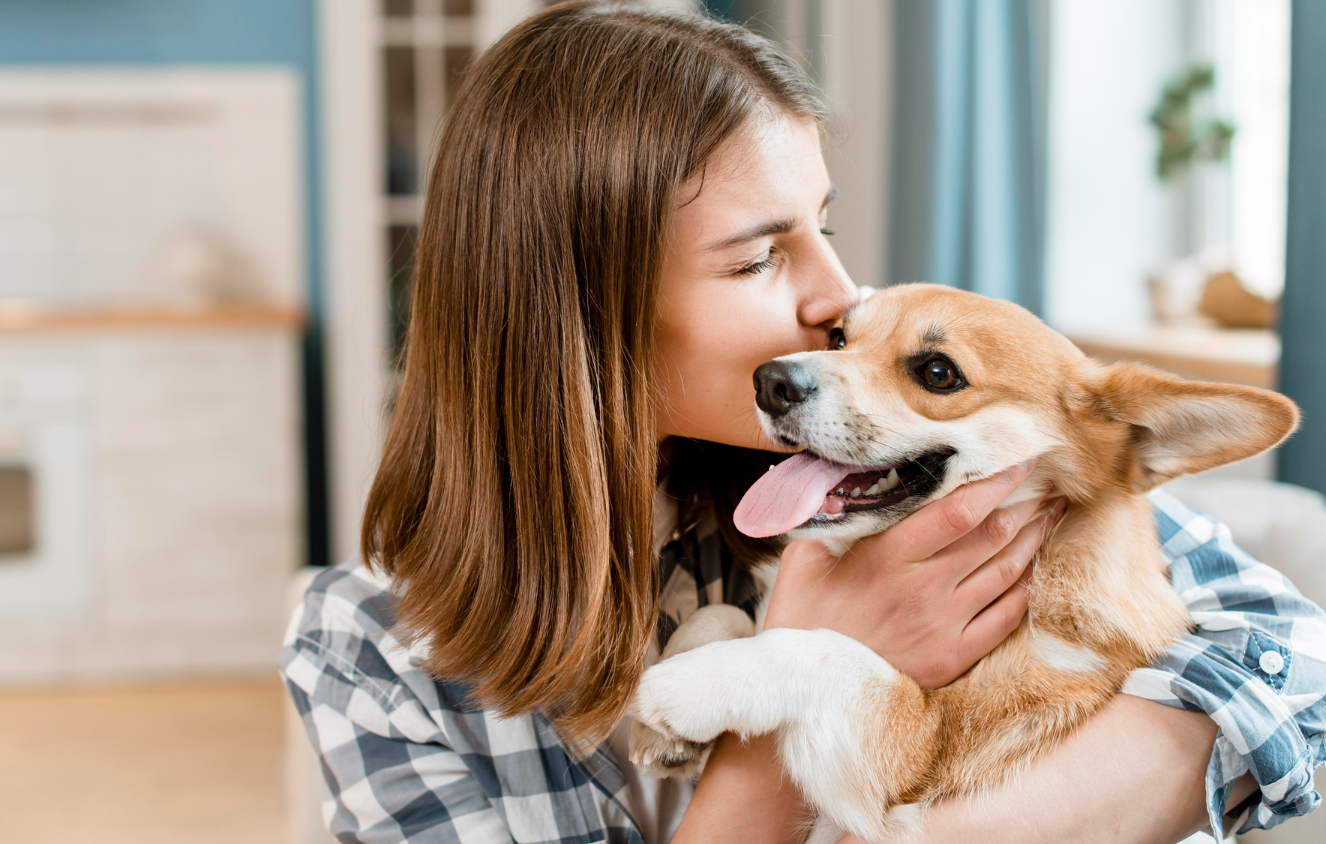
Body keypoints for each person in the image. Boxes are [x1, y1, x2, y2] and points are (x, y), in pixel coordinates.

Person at [280, 3, 1326, 842]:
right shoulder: (368, 653)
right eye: (756, 258)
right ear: (583, 319)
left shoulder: (984, 488)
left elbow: (1299, 671)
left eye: (826, 227)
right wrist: (806, 677)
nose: (840, 297)